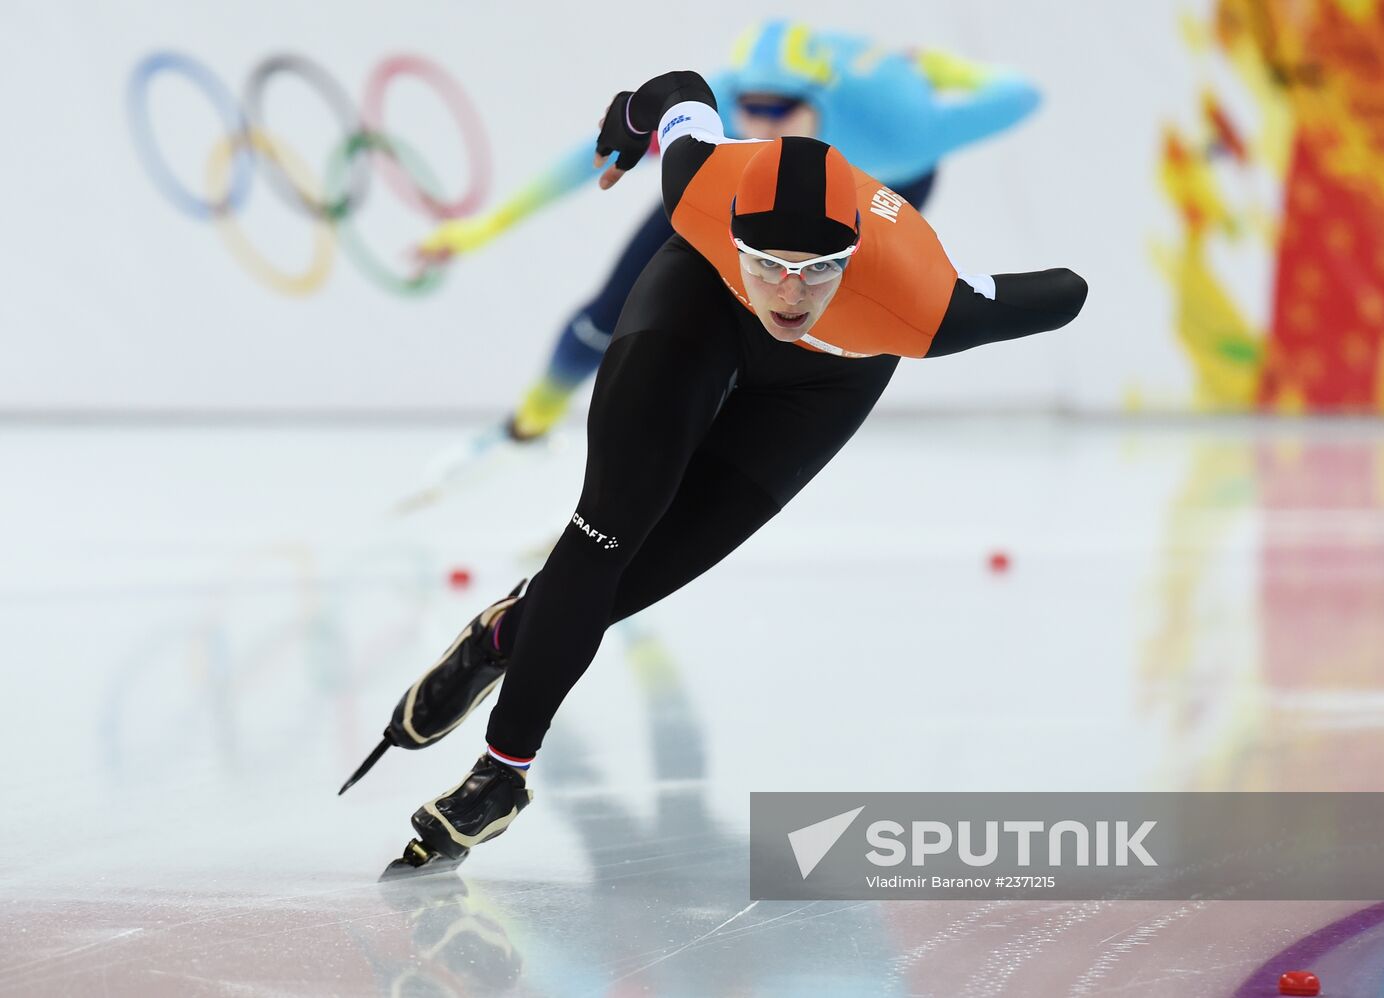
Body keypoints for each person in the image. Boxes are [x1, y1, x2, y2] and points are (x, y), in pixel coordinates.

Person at [360, 68, 1087, 872]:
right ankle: (501, 778)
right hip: (699, 308)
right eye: (770, 262)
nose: (790, 291)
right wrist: (625, 125)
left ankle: (500, 639)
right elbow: (675, 91)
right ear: (735, 232)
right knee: (604, 535)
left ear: (852, 255)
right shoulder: (701, 183)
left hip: (827, 381)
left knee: (640, 574)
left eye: (818, 267)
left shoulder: (924, 303)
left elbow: (1064, 292)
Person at [419, 20, 1041, 443]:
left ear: (818, 100)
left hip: (877, 181)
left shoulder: (905, 126)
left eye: (777, 110)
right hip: (747, 183)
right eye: (749, 105)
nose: (757, 120)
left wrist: (940, 67)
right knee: (622, 302)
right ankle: (533, 417)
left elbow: (1021, 93)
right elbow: (599, 154)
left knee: (794, 319)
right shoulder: (729, 106)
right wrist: (480, 230)